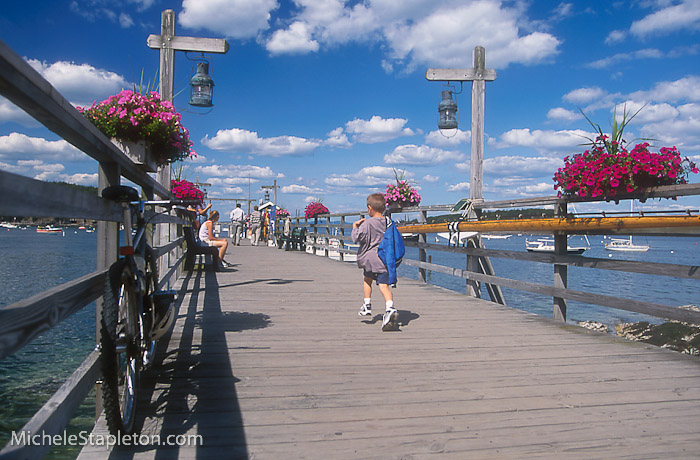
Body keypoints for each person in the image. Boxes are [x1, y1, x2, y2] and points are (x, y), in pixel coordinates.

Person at [352, 193, 398, 331]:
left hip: (370, 259)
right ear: (384, 208)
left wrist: (355, 226)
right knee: (384, 286)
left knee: (367, 279)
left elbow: (356, 238)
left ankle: (367, 305)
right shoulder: (388, 222)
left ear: (370, 208)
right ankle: (390, 308)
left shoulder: (367, 223)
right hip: (385, 259)